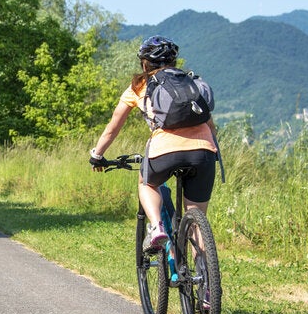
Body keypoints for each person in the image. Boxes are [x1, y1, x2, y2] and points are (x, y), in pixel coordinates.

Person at [89, 36, 217, 254]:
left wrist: (97, 155)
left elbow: (113, 128)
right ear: (174, 62)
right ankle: (206, 275)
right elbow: (211, 126)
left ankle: (156, 226)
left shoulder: (139, 86)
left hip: (164, 152)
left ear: (144, 64)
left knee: (146, 184)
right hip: (203, 151)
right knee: (197, 223)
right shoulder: (190, 84)